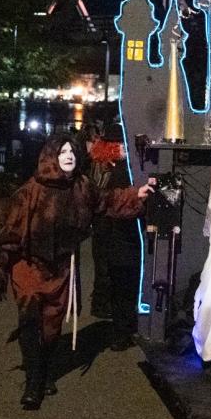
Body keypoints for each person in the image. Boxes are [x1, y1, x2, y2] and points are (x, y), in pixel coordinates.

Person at [0, 135, 153, 410]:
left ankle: (45, 370)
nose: (69, 155)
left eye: (72, 151)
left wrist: (137, 193)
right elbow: (11, 227)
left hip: (60, 268)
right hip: (29, 264)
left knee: (51, 327)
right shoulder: (31, 190)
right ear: (51, 157)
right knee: (29, 319)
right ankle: (33, 384)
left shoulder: (82, 186)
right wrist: (1, 262)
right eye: (63, 152)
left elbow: (107, 200)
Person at [86, 124, 144, 349]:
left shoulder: (98, 165)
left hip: (104, 231)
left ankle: (116, 323)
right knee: (125, 281)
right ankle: (123, 330)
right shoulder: (127, 165)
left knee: (111, 276)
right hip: (123, 230)